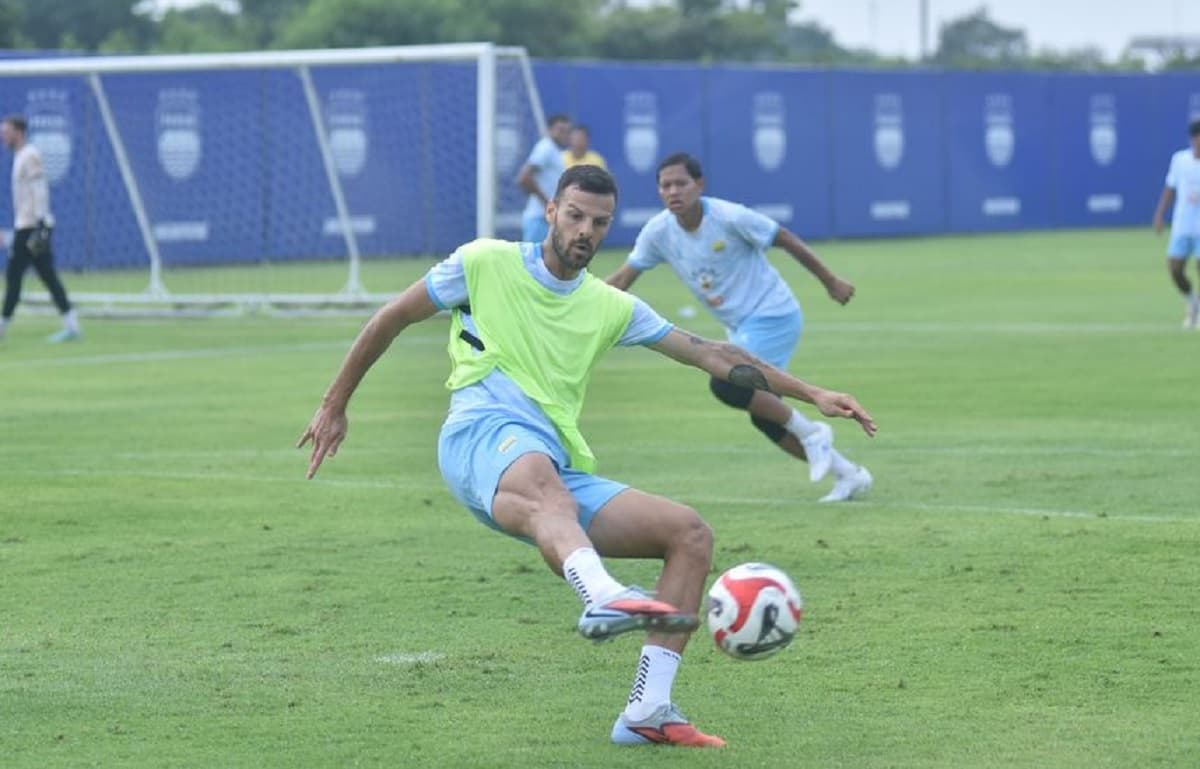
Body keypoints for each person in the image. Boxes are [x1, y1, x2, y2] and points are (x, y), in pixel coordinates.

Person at [298, 165, 875, 748]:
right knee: (545, 484)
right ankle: (600, 594)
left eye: (598, 223)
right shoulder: (484, 261)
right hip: (479, 438)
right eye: (574, 215)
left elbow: (713, 354)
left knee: (689, 535)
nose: (585, 231)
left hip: (552, 468)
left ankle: (648, 709)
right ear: (551, 211)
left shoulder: (609, 304)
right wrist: (334, 404)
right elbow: (390, 317)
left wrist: (812, 393)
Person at [606, 153, 870, 502]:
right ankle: (849, 474)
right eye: (665, 185)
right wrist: (584, 302)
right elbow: (625, 276)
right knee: (764, 416)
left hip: (773, 314)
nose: (673, 191)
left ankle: (813, 433)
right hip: (740, 328)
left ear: (699, 185)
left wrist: (830, 280)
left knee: (727, 384)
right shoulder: (658, 232)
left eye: (681, 183)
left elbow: (784, 237)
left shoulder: (729, 216)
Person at [0, 114, 80, 343]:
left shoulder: (30, 155)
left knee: (15, 276)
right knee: (46, 275)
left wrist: (41, 224)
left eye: (6, 132)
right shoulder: (19, 156)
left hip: (31, 227)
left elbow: (40, 190)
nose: (3, 136)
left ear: (18, 132)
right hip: (29, 225)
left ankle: (2, 327)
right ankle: (72, 326)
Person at [1152, 119, 1200, 330]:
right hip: (1183, 225)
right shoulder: (1180, 160)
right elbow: (1170, 188)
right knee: (1174, 269)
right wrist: (1160, 214)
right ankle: (1192, 301)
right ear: (1192, 139)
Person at [516, 113, 571, 243]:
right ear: (550, 130)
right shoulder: (545, 148)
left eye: (567, 131)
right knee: (533, 262)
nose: (565, 135)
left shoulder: (555, 151)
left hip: (547, 218)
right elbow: (524, 178)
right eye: (560, 131)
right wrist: (547, 203)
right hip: (539, 219)